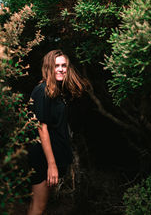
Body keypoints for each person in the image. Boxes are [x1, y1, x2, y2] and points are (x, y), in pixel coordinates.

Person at [27, 49, 90, 215]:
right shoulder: (42, 91)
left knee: (36, 204)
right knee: (39, 207)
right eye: (57, 66)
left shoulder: (56, 91)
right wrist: (52, 165)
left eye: (64, 65)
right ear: (49, 67)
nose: (61, 69)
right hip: (42, 158)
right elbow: (42, 129)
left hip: (50, 156)